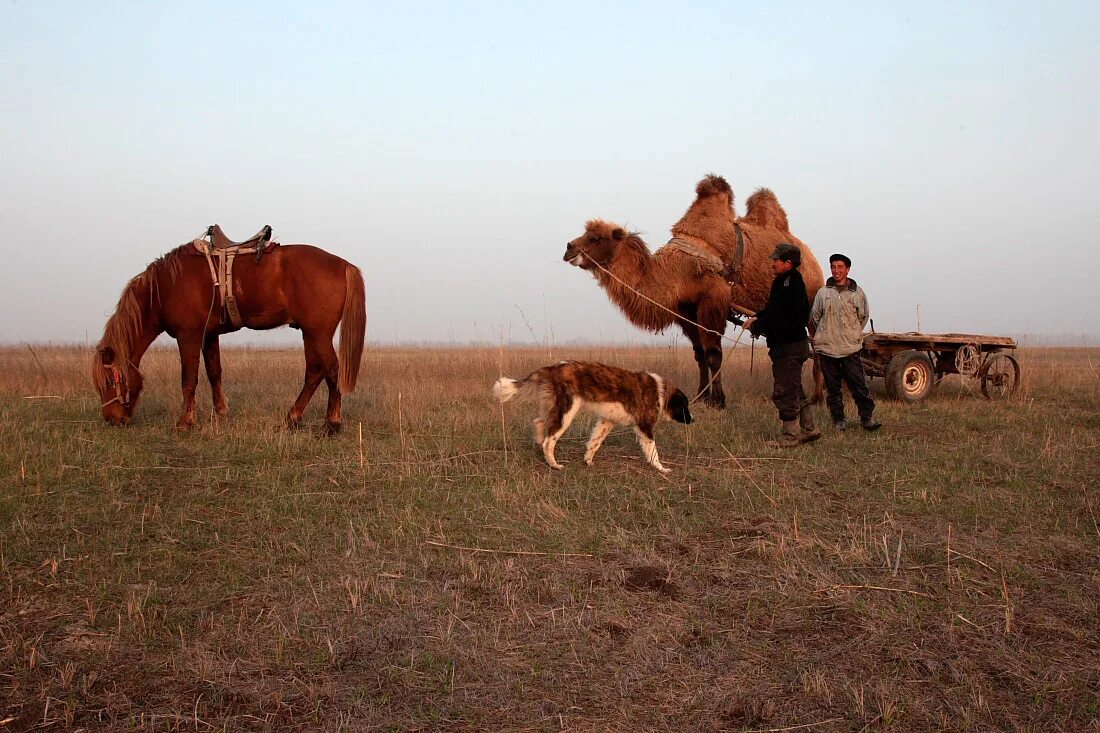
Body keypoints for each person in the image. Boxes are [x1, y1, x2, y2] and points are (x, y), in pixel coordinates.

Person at [744, 243, 820, 447]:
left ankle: (790, 435)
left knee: (785, 389)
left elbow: (783, 318)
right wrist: (757, 318)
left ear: (788, 263)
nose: (772, 263)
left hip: (790, 346)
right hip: (789, 345)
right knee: (795, 387)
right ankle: (809, 428)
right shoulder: (783, 282)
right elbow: (772, 310)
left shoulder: (792, 285)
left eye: (776, 260)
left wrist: (759, 325)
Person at [809, 253, 881, 431]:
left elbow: (862, 317)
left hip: (850, 348)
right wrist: (825, 334)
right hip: (827, 349)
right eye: (833, 267)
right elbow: (815, 317)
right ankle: (838, 420)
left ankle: (866, 418)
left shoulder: (857, 293)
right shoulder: (823, 293)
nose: (836, 270)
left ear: (847, 270)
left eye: (840, 267)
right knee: (833, 388)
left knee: (859, 385)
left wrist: (852, 333)